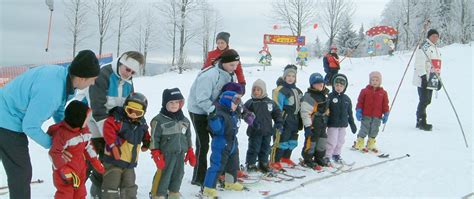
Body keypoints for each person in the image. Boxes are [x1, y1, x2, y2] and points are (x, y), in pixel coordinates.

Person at [0, 49, 100, 199]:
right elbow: (30, 126)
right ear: (81, 77)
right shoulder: (52, 90)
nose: (93, 83)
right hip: (6, 120)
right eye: (92, 79)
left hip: (7, 113)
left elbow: (59, 110)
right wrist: (56, 145)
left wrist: (69, 133)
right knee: (21, 172)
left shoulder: (63, 78)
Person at [77, 51, 144, 197]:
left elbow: (128, 106)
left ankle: (101, 191)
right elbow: (97, 107)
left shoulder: (128, 80)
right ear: (121, 62)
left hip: (111, 124)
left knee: (107, 160)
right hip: (92, 121)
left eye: (133, 72)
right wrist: (110, 136)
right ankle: (78, 191)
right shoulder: (103, 75)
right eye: (127, 69)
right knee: (91, 159)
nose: (129, 74)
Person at [188, 49, 240, 186]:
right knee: (203, 143)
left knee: (223, 141)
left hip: (217, 110)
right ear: (223, 62)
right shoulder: (210, 75)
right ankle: (199, 177)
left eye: (236, 65)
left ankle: (221, 173)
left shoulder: (231, 75)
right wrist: (213, 111)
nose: (234, 68)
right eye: (232, 65)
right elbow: (201, 99)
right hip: (199, 110)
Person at [48, 100, 105, 199]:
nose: (88, 121)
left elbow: (88, 146)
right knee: (65, 194)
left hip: (80, 169)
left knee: (80, 193)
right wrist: (63, 169)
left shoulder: (84, 131)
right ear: (77, 119)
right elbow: (54, 153)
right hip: (65, 173)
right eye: (86, 119)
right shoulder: (63, 134)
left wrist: (95, 161)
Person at [101, 92, 151, 199]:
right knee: (111, 183)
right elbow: (108, 130)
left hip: (129, 161)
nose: (133, 114)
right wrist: (114, 145)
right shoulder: (117, 119)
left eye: (137, 112)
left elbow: (145, 133)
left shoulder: (141, 124)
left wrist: (147, 142)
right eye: (130, 110)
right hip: (113, 159)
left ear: (143, 113)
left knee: (129, 184)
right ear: (125, 107)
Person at [149, 88, 196, 199]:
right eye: (171, 102)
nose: (174, 105)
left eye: (177, 102)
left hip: (180, 154)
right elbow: (154, 139)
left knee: (178, 174)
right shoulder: (159, 120)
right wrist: (156, 154)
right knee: (164, 175)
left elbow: (188, 136)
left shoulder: (185, 120)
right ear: (165, 103)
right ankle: (158, 194)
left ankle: (174, 193)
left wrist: (190, 151)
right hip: (166, 155)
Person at [202, 91, 244, 198]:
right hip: (221, 144)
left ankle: (230, 183)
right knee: (217, 166)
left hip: (232, 143)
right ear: (227, 101)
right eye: (234, 103)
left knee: (232, 165)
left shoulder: (233, 114)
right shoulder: (219, 114)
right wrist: (213, 118)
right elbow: (217, 130)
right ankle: (208, 188)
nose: (236, 106)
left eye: (237, 104)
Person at [244, 79, 282, 173]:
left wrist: (279, 122)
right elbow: (243, 112)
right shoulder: (250, 102)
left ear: (263, 90)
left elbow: (277, 113)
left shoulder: (270, 102)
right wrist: (250, 119)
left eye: (258, 90)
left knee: (266, 148)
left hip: (267, 131)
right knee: (254, 148)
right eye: (254, 90)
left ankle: (263, 163)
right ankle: (251, 163)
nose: (256, 92)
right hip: (255, 131)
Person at [270, 64, 303, 170]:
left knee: (292, 140)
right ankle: (274, 160)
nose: (291, 78)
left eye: (293, 76)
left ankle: (285, 157)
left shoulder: (298, 91)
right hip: (284, 118)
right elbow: (276, 106)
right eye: (288, 76)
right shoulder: (280, 90)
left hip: (295, 119)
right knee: (281, 140)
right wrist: (279, 120)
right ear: (284, 77)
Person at [353, 71, 389, 152]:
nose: (375, 82)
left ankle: (371, 143)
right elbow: (360, 102)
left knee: (374, 129)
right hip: (366, 115)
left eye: (377, 80)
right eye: (373, 80)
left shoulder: (383, 93)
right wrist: (358, 110)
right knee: (364, 128)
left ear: (380, 81)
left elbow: (385, 104)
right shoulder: (364, 91)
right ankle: (360, 141)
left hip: (377, 116)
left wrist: (386, 113)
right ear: (370, 81)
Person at [300, 73, 330, 170]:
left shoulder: (324, 95)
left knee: (322, 141)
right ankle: (308, 159)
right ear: (312, 85)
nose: (319, 85)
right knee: (311, 142)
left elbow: (326, 109)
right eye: (316, 84)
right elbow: (305, 113)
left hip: (322, 124)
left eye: (321, 83)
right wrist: (308, 127)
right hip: (313, 125)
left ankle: (319, 157)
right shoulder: (309, 97)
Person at [412, 29, 441, 131]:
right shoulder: (425, 46)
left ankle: (420, 119)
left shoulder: (436, 48)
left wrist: (438, 80)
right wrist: (423, 76)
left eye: (436, 37)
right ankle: (421, 121)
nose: (435, 38)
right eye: (433, 36)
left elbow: (436, 65)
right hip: (423, 78)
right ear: (429, 37)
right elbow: (419, 62)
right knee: (424, 100)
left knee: (428, 100)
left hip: (432, 78)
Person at [325, 74, 357, 164]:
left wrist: (352, 124)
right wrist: (324, 123)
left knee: (340, 141)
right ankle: (327, 156)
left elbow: (349, 113)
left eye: (341, 86)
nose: (339, 87)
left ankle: (336, 155)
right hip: (332, 124)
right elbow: (326, 111)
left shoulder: (347, 99)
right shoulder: (330, 97)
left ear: (345, 87)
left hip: (342, 125)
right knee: (332, 140)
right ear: (334, 85)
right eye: (337, 85)